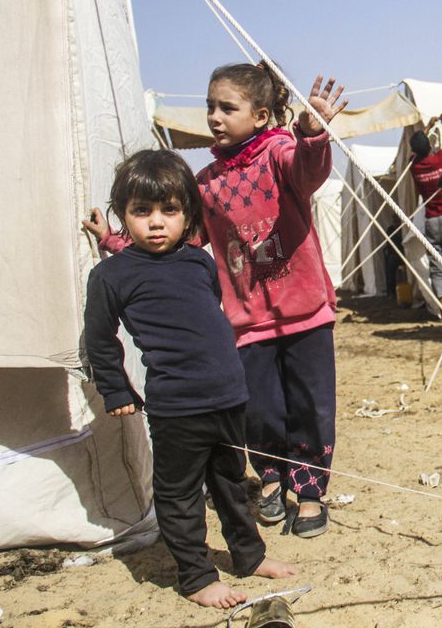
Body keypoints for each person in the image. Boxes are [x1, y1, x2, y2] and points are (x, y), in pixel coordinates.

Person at [85, 62, 346, 537]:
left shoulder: (280, 154)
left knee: (310, 404)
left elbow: (309, 173)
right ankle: (271, 479)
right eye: (210, 107)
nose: (215, 117)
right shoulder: (205, 182)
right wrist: (116, 244)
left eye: (228, 107)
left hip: (306, 311)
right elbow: (182, 242)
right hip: (247, 319)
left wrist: (312, 134)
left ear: (262, 115)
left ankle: (309, 492)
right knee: (260, 408)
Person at [82, 150, 296, 609]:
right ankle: (198, 577)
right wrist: (116, 389)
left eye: (169, 210)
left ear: (188, 215)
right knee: (180, 496)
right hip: (176, 406)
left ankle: (249, 555)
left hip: (227, 396)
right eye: (142, 211)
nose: (156, 222)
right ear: (123, 215)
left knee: (232, 484)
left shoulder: (199, 262)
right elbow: (99, 339)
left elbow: (209, 317)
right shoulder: (110, 276)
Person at [409, 114, 442, 315]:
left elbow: (416, 147)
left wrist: (428, 125)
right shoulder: (441, 159)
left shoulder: (415, 166)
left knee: (437, 267)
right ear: (430, 146)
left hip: (431, 220)